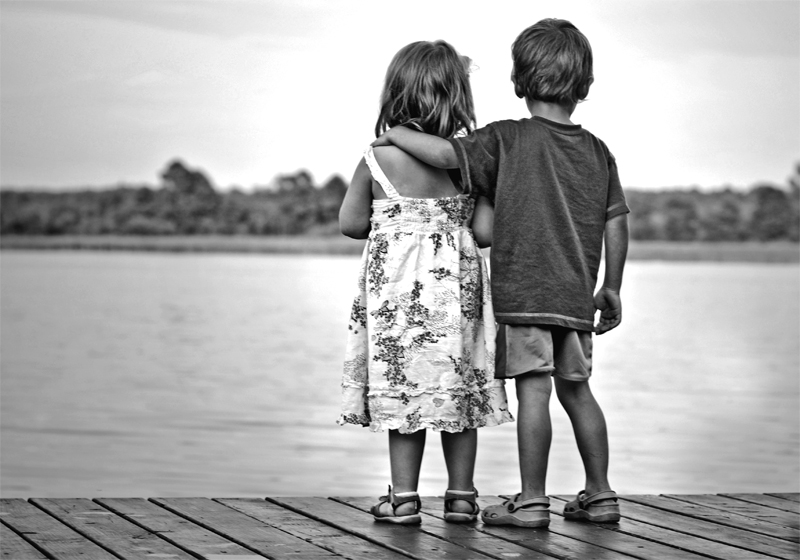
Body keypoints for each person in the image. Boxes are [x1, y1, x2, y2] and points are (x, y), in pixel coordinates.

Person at [372, 19, 630, 528]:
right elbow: (616, 218)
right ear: (586, 85)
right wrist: (612, 286)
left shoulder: (506, 138)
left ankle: (532, 500)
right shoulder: (598, 150)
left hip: (527, 293)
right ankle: (600, 495)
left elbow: (446, 154)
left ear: (518, 81)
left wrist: (396, 132)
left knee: (534, 390)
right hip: (577, 296)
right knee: (577, 390)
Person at [337, 40, 513, 525]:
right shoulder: (469, 167)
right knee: (456, 388)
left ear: (396, 95)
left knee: (406, 392)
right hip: (457, 292)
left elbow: (351, 224)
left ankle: (405, 499)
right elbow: (484, 234)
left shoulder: (377, 160)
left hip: (397, 297)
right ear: (457, 97)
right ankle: (461, 497)